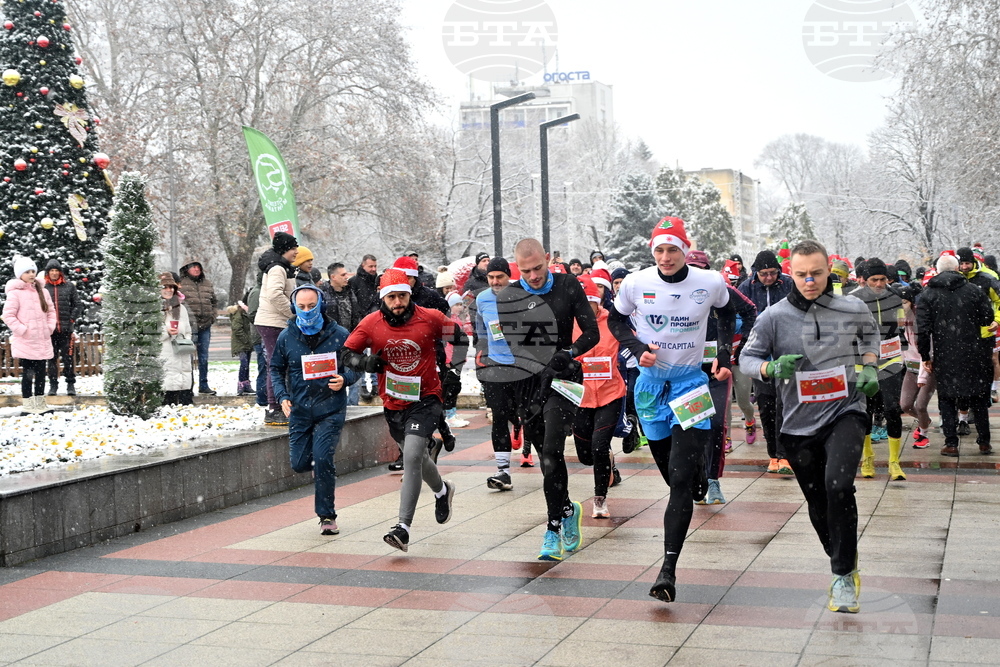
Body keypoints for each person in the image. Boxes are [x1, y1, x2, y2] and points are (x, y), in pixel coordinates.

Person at [741, 239, 880, 614]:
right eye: (801, 275)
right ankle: (843, 560)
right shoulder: (773, 317)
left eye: (816, 274)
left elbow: (871, 338)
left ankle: (841, 574)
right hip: (798, 423)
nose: (809, 281)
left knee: (839, 485)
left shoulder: (852, 307)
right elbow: (747, 358)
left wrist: (869, 366)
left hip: (846, 410)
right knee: (819, 503)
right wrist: (770, 368)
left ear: (829, 270)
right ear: (791, 273)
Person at [607, 218, 735, 602]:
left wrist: (725, 353)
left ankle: (667, 570)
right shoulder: (635, 283)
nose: (665, 257)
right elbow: (615, 318)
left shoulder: (709, 282)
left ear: (685, 249)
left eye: (673, 249)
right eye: (659, 250)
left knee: (678, 482)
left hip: (691, 384)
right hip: (648, 387)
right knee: (669, 469)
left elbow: (730, 313)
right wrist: (633, 346)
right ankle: (695, 478)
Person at [343, 268, 467, 552]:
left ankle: (403, 527)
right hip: (394, 402)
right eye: (391, 297)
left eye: (402, 296)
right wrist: (364, 364)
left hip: (427, 398)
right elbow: (346, 353)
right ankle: (442, 491)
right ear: (382, 299)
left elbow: (460, 340)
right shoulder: (371, 323)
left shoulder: (431, 317)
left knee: (411, 455)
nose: (397, 302)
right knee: (419, 459)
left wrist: (453, 372)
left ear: (410, 294)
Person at [495, 238, 600, 562]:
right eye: (525, 271)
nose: (534, 276)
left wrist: (568, 352)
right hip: (529, 383)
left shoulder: (568, 284)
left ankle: (552, 527)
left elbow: (591, 333)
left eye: (538, 268)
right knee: (545, 458)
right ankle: (567, 508)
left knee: (554, 450)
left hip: (564, 376)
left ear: (548, 259)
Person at [270, 284, 359, 536]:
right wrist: (282, 396)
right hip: (299, 409)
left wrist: (345, 378)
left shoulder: (339, 334)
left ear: (321, 305)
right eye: (302, 307)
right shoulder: (286, 336)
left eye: (312, 306)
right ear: (294, 307)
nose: (307, 311)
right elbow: (275, 368)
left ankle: (327, 516)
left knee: (322, 459)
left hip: (330, 408)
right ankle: (321, 472)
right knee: (299, 464)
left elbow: (356, 364)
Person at [686, 250, 757, 504]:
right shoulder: (672, 291)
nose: (696, 273)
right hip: (687, 371)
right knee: (691, 425)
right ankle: (697, 478)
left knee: (716, 424)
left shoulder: (720, 287)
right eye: (691, 267)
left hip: (718, 368)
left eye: (701, 268)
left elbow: (750, 310)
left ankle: (713, 480)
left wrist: (737, 346)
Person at [918, 253, 994, 457]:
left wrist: (925, 356)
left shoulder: (928, 294)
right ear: (958, 268)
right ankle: (984, 441)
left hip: (945, 353)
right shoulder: (973, 291)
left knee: (947, 398)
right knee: (978, 397)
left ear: (937, 271)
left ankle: (951, 443)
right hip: (974, 350)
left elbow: (923, 329)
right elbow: (987, 317)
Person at [572, 276, 628, 518]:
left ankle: (600, 498)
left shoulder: (612, 322)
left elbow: (633, 342)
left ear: (598, 302)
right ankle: (608, 463)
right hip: (580, 397)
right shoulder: (569, 325)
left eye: (590, 302)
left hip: (610, 393)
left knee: (599, 446)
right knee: (585, 455)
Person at [473, 257, 527, 489]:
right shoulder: (482, 299)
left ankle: (521, 425)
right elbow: (481, 331)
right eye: (491, 277)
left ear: (509, 276)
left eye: (499, 277)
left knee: (529, 415)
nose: (495, 282)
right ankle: (503, 472)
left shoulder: (524, 295)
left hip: (523, 366)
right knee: (499, 416)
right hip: (496, 366)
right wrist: (482, 354)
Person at [738, 249, 794, 474]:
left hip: (785, 351)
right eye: (764, 274)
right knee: (767, 406)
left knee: (786, 406)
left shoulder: (788, 284)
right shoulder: (747, 287)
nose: (769, 278)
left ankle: (785, 455)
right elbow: (738, 316)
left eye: (773, 273)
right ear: (756, 273)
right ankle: (773, 454)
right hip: (760, 354)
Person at [853, 259, 908, 481]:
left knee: (893, 409)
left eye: (882, 279)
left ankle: (894, 462)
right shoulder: (854, 299)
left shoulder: (895, 296)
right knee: (865, 411)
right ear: (865, 280)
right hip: (863, 361)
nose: (878, 283)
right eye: (874, 280)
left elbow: (902, 323)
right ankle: (868, 457)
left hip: (890, 358)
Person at [254, 232, 299, 425]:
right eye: (293, 248)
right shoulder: (277, 268)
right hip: (273, 322)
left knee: (280, 365)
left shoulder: (281, 267)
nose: (296, 252)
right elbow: (274, 294)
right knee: (276, 365)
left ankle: (282, 404)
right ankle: (274, 407)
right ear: (284, 250)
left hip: (274, 321)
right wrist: (293, 313)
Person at [3, 256, 56, 414]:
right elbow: (8, 316)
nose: (31, 274)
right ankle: (28, 405)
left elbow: (51, 312)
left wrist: (49, 328)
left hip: (42, 339)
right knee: (28, 373)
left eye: (33, 271)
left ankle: (40, 403)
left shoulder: (43, 291)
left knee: (41, 373)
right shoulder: (15, 294)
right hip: (26, 340)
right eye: (27, 272)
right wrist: (22, 330)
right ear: (20, 274)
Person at [323, 262, 363, 406]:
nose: (347, 277)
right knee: (333, 376)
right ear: (333, 277)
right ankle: (335, 404)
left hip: (350, 340)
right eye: (343, 274)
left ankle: (353, 406)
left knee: (353, 373)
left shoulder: (349, 291)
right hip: (330, 342)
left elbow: (355, 315)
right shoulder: (323, 294)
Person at [42, 259, 82, 396]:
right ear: (48, 273)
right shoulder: (43, 288)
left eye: (56, 270)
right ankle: (53, 386)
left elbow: (78, 305)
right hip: (50, 331)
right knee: (51, 359)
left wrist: (71, 319)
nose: (54, 273)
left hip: (66, 330)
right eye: (51, 271)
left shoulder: (69, 286)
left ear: (60, 272)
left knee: (68, 359)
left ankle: (70, 385)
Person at [178, 259, 218, 395]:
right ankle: (188, 386)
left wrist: (213, 316)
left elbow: (214, 302)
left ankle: (203, 385)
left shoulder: (207, 284)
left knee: (204, 357)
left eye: (198, 267)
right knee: (187, 357)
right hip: (189, 326)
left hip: (206, 325)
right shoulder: (181, 284)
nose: (196, 270)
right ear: (186, 269)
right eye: (193, 267)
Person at [157, 272, 196, 406]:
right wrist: (166, 332)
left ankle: (184, 404)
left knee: (183, 382)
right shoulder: (155, 309)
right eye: (165, 287)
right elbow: (150, 332)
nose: (169, 290)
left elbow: (188, 330)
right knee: (168, 383)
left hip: (181, 351)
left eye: (171, 287)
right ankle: (167, 405)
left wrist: (185, 341)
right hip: (165, 351)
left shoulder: (181, 308)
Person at [348, 254, 379, 401]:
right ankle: (362, 387)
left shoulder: (377, 280)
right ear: (363, 265)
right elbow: (352, 302)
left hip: (376, 323)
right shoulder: (354, 281)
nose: (373, 269)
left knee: (375, 354)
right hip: (360, 323)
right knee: (359, 357)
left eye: (374, 266)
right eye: (370, 266)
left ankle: (374, 384)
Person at [227, 297, 255, 395]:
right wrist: (246, 340)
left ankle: (246, 383)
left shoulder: (244, 313)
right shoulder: (239, 313)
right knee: (244, 363)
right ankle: (241, 384)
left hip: (245, 342)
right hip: (240, 343)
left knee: (246, 365)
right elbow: (237, 328)